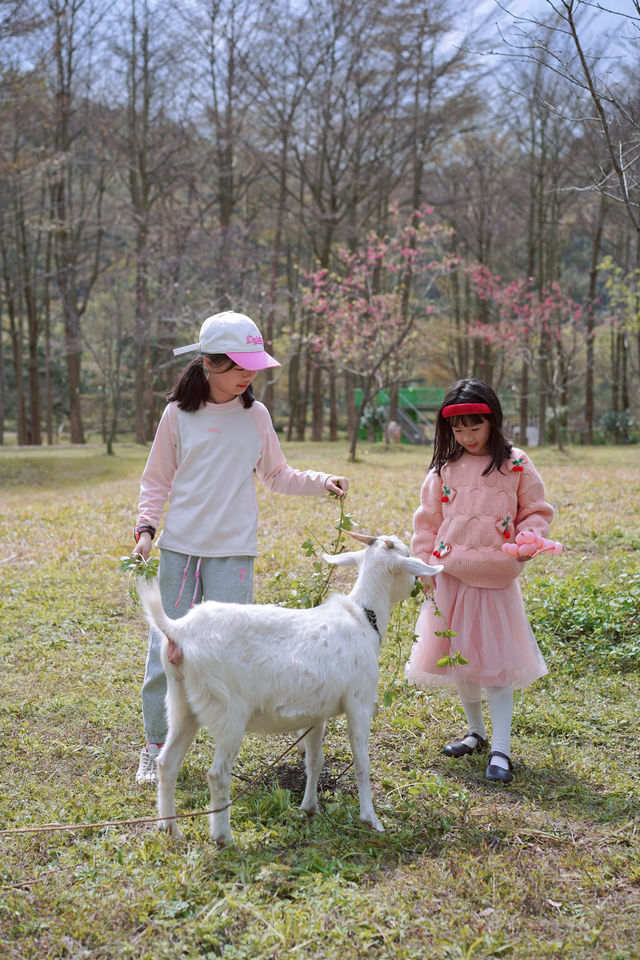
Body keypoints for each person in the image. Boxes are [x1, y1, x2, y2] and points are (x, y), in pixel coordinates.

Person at [132, 310, 349, 784]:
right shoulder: (178, 415)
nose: (249, 374)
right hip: (182, 551)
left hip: (235, 553)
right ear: (210, 363)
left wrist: (321, 482)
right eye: (239, 365)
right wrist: (146, 529)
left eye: (254, 364)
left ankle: (221, 746)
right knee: (166, 647)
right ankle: (155, 746)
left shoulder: (256, 416)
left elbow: (276, 475)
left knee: (232, 653)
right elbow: (156, 479)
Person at [405, 378, 553, 783]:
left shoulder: (516, 463)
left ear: (493, 422)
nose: (466, 436)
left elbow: (537, 511)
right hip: (450, 576)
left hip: (495, 579)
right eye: (458, 429)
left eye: (475, 427)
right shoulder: (443, 468)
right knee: (462, 663)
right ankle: (476, 733)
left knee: (496, 668)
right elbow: (427, 522)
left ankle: (502, 748)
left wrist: (529, 539)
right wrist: (422, 564)